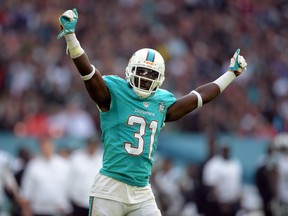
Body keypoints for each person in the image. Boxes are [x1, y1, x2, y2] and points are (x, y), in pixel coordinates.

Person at [57, 8, 247, 216]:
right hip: (111, 186)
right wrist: (70, 36)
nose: (146, 77)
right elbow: (88, 73)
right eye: (142, 72)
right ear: (130, 70)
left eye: (151, 74)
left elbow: (198, 98)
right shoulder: (115, 92)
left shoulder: (161, 102)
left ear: (160, 78)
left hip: (141, 189)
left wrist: (231, 74)